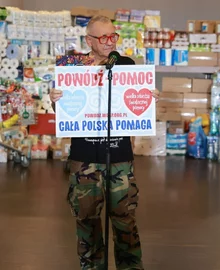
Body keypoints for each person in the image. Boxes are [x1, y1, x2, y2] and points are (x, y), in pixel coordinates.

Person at [50, 15, 159, 270]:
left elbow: (137, 106)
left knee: (125, 222)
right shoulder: (72, 66)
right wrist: (56, 99)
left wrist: (149, 97)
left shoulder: (127, 65)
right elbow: (66, 112)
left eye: (113, 36)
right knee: (86, 222)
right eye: (103, 38)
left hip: (119, 158)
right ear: (89, 40)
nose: (110, 42)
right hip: (84, 159)